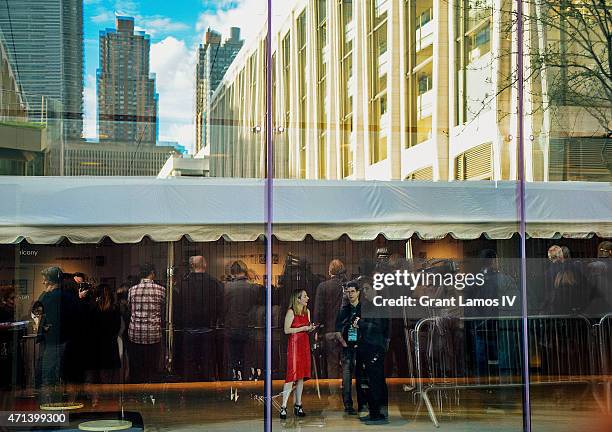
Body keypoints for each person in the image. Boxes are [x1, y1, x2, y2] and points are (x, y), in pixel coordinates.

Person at [174, 255, 223, 381]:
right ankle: (207, 391)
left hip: (188, 330)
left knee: (189, 364)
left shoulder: (183, 283)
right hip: (208, 329)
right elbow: (219, 305)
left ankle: (191, 391)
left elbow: (178, 306)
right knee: (207, 363)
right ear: (205, 265)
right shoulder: (214, 283)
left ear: (191, 266)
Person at [37, 266, 78, 404]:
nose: (43, 282)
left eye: (44, 280)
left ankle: (47, 404)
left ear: (49, 281)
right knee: (63, 374)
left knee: (48, 376)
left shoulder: (47, 297)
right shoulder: (69, 297)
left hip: (52, 341)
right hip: (68, 340)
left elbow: (39, 314)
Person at [223, 260, 260, 401]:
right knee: (247, 360)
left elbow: (223, 309)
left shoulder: (227, 288)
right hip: (248, 328)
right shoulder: (254, 288)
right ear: (245, 271)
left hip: (231, 328)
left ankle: (232, 388)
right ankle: (246, 388)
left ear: (232, 272)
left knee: (232, 360)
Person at [353, 288, 389, 424]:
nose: (365, 292)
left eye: (367, 288)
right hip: (370, 346)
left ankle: (377, 412)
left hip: (374, 346)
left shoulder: (378, 305)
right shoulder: (369, 305)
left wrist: (360, 323)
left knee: (374, 379)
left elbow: (378, 327)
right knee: (373, 379)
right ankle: (377, 411)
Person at [127, 263, 166, 384]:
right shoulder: (161, 290)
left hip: (135, 334)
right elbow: (164, 310)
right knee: (152, 368)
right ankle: (151, 394)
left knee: (137, 368)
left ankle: (137, 393)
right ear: (152, 273)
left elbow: (129, 308)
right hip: (153, 334)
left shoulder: (132, 290)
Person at [84, 283, 121, 406]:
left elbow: (87, 329)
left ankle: (95, 400)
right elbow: (117, 329)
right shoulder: (114, 310)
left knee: (93, 377)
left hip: (94, 347)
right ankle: (108, 402)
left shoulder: (91, 309)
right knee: (108, 377)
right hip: (109, 346)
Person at [280, 289, 315, 420]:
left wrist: (311, 328)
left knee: (301, 376)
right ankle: (283, 406)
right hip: (294, 346)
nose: (308, 298)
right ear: (298, 299)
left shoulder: (307, 312)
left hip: (304, 344)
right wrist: (303, 328)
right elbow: (286, 330)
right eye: (305, 296)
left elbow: (308, 327)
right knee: (291, 375)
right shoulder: (291, 312)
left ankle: (298, 404)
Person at [335, 280, 366, 416]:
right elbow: (337, 329)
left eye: (352, 291)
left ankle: (362, 404)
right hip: (347, 346)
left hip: (361, 346)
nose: (350, 294)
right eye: (347, 292)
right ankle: (348, 405)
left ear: (358, 292)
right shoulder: (344, 310)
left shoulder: (363, 308)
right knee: (346, 377)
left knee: (361, 377)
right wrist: (343, 342)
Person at [313, 259, 347, 379]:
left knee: (332, 363)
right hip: (346, 331)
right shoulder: (348, 286)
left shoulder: (323, 287)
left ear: (329, 271)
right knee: (347, 362)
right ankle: (348, 392)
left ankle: (334, 393)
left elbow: (318, 311)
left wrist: (316, 329)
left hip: (330, 330)